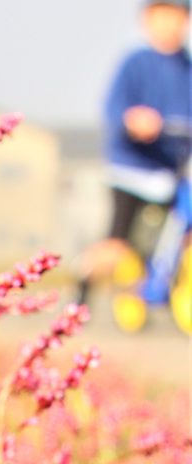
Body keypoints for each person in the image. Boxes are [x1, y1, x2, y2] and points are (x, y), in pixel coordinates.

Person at [76, 0, 191, 305]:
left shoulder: (187, 67)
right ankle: (81, 295)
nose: (171, 24)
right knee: (117, 244)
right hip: (132, 170)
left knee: (184, 227)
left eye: (178, 16)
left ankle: (168, 284)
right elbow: (114, 107)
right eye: (163, 16)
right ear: (147, 20)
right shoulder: (135, 62)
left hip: (170, 170)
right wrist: (133, 119)